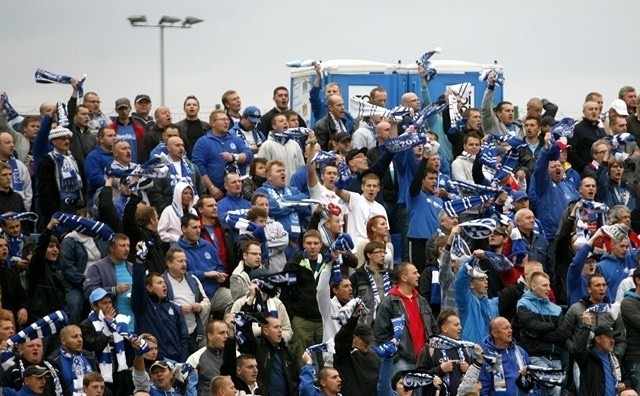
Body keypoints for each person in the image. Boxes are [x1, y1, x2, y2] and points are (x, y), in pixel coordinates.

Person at [131, 242, 190, 362]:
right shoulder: (143, 306)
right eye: (159, 283)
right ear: (149, 288)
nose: (164, 285)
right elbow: (138, 285)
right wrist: (139, 262)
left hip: (176, 362)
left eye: (164, 282)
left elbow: (184, 338)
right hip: (153, 361)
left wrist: (182, 362)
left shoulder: (175, 308)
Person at [374, 263, 438, 372]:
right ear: (404, 277)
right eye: (414, 273)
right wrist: (396, 357)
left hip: (425, 362)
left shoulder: (422, 301)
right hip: (401, 363)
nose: (419, 275)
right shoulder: (388, 303)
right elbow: (381, 335)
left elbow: (433, 328)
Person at [516, 272, 567, 396]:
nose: (549, 289)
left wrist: (539, 334)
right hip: (536, 356)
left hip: (556, 357)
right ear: (533, 286)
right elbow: (532, 326)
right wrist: (553, 326)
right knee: (546, 389)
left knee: (557, 390)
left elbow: (563, 334)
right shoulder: (523, 304)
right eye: (544, 286)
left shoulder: (557, 309)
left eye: (549, 285)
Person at [174, 213, 232, 318]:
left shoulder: (207, 245)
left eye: (199, 227)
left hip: (214, 292)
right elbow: (179, 274)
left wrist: (219, 276)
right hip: (192, 298)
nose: (198, 230)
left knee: (235, 298)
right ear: (184, 229)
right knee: (201, 310)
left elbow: (219, 266)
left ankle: (226, 330)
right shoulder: (176, 250)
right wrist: (205, 274)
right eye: (194, 227)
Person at [79, 288, 134, 396]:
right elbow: (95, 346)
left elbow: (128, 346)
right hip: (101, 375)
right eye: (104, 303)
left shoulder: (118, 321)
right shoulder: (87, 324)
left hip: (121, 373)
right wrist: (108, 328)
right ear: (95, 307)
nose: (109, 305)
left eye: (110, 302)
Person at [59, 208, 108, 324]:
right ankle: (74, 330)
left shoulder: (98, 238)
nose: (87, 221)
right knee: (74, 303)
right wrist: (84, 282)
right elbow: (68, 268)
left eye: (89, 218)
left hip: (98, 283)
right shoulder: (69, 241)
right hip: (77, 284)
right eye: (83, 218)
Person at [192, 110, 253, 198]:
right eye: (223, 119)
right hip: (214, 192)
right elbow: (198, 166)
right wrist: (211, 187)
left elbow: (248, 154)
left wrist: (234, 157)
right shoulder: (203, 142)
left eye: (227, 120)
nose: (226, 122)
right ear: (213, 123)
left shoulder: (235, 139)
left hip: (236, 190)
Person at [162, 247, 210, 354]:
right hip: (172, 332)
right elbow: (159, 306)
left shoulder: (193, 279)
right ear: (169, 263)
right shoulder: (162, 282)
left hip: (193, 330)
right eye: (180, 261)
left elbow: (206, 301)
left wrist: (201, 306)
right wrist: (178, 309)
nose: (184, 264)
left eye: (185, 261)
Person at [84, 233, 135, 332]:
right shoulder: (97, 268)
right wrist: (113, 290)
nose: (127, 249)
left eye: (128, 245)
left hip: (134, 323)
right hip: (110, 325)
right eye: (122, 246)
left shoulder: (132, 267)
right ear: (111, 248)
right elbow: (89, 291)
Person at [237, 316, 299, 395]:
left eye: (281, 327)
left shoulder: (288, 354)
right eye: (276, 327)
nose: (280, 330)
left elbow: (296, 380)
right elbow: (245, 336)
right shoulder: (257, 348)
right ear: (265, 331)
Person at [417, 310, 472, 396]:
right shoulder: (431, 348)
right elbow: (419, 376)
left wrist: (469, 369)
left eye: (460, 324)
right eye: (456, 325)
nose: (460, 327)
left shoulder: (465, 348)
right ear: (444, 328)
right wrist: (440, 370)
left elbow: (475, 378)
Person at [573, 318, 633, 396]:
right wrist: (585, 327)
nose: (613, 340)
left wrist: (624, 384)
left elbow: (626, 378)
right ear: (598, 339)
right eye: (609, 337)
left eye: (613, 337)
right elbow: (577, 350)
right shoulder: (588, 358)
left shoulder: (615, 358)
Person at [38, 125, 86, 220]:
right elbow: (45, 190)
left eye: (68, 139)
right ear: (54, 141)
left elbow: (84, 184)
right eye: (63, 139)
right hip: (59, 207)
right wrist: (53, 212)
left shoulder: (75, 160)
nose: (67, 141)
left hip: (76, 207)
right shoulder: (48, 161)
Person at [478, 317, 532, 395]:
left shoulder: (521, 352)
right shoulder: (488, 357)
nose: (510, 330)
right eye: (506, 328)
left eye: (510, 327)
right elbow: (483, 390)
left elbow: (533, 381)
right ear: (494, 333)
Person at [186, 317, 236, 396]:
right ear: (210, 336)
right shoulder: (195, 358)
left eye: (227, 332)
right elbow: (189, 388)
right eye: (222, 333)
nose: (226, 336)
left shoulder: (236, 355)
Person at [47, 325, 99, 396]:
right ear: (63, 341)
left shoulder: (89, 356)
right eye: (75, 337)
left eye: (81, 336)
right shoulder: (54, 361)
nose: (80, 339)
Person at [350, 240, 391, 326]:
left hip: (389, 322)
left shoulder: (392, 275)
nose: (383, 255)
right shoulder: (357, 276)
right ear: (369, 255)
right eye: (379, 252)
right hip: (366, 324)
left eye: (384, 252)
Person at [255, 114, 304, 183]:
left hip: (294, 189)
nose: (285, 122)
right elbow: (262, 170)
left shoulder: (295, 145)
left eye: (286, 121)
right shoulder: (267, 145)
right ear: (274, 126)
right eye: (281, 121)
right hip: (275, 189)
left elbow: (301, 168)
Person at [0, 132, 32, 210]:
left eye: (12, 142)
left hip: (18, 210)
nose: (12, 145)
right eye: (7, 142)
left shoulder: (20, 166)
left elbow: (28, 191)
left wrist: (24, 211)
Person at [84, 127, 117, 198]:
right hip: (100, 197)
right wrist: (115, 182)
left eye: (115, 135)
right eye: (110, 136)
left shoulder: (118, 154)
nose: (114, 138)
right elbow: (95, 178)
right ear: (101, 139)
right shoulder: (93, 156)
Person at [109, 98, 145, 163]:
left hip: (135, 164)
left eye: (126, 108)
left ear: (130, 108)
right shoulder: (111, 128)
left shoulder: (139, 129)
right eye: (120, 109)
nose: (123, 111)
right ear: (116, 110)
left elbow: (143, 149)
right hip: (116, 165)